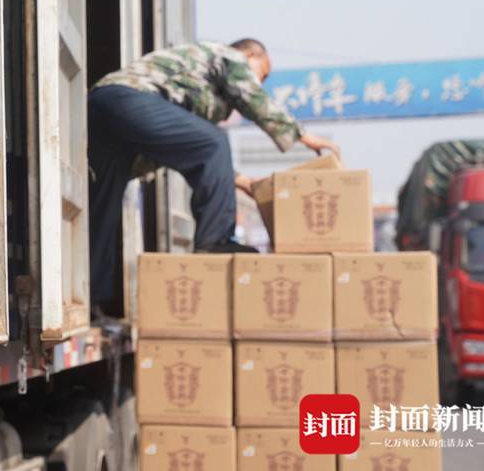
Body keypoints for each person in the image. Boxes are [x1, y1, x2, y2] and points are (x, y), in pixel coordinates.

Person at [87, 38, 339, 313]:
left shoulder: (199, 88)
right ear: (251, 55)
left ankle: (92, 300)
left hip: (101, 109)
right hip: (127, 99)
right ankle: (215, 241)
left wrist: (243, 182)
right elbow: (246, 100)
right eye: (262, 74)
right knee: (215, 140)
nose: (260, 82)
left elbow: (193, 151)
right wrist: (304, 136)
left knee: (103, 210)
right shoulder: (229, 57)